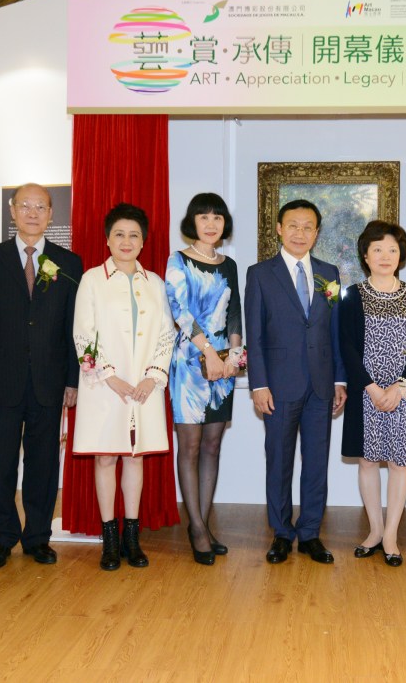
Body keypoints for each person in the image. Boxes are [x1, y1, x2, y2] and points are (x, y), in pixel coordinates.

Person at [0, 183, 82, 570]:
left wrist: (72, 380)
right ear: (12, 210)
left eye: (41, 207)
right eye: (26, 206)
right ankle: (0, 538)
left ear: (51, 214)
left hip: (50, 381)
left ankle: (37, 537)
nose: (33, 213)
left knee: (43, 464)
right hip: (2, 379)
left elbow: (74, 328)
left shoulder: (69, 263)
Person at [73, 203, 175, 570]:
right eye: (119, 234)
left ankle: (132, 538)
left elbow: (166, 334)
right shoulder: (92, 279)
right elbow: (83, 333)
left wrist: (153, 375)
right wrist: (110, 375)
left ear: (143, 241)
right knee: (105, 457)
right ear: (107, 239)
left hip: (144, 387)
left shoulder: (155, 283)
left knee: (136, 456)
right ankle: (110, 539)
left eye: (134, 235)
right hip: (104, 385)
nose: (126, 241)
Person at [245, 199, 346, 565]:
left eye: (307, 227)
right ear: (279, 229)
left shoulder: (329, 273)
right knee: (279, 462)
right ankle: (281, 533)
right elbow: (254, 334)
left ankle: (310, 533)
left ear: (316, 233)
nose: (300, 233)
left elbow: (335, 331)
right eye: (293, 225)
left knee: (317, 462)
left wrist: (339, 379)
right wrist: (258, 385)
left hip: (321, 385)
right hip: (278, 385)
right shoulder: (260, 274)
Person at [340, 220, 406, 566]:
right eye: (377, 249)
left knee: (398, 462)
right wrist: (374, 388)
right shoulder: (352, 295)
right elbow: (348, 348)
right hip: (366, 391)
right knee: (367, 461)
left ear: (400, 255)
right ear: (365, 255)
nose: (385, 255)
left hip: (402, 393)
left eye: (392, 249)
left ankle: (391, 535)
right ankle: (375, 531)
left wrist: (398, 387)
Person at [166, 193, 242, 565]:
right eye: (203, 217)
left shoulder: (230, 265)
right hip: (188, 364)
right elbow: (179, 311)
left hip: (223, 367)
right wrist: (209, 352)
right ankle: (196, 528)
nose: (211, 224)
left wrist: (235, 354)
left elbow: (235, 313)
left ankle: (205, 524)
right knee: (191, 447)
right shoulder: (177, 260)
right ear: (192, 222)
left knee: (213, 445)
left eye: (217, 217)